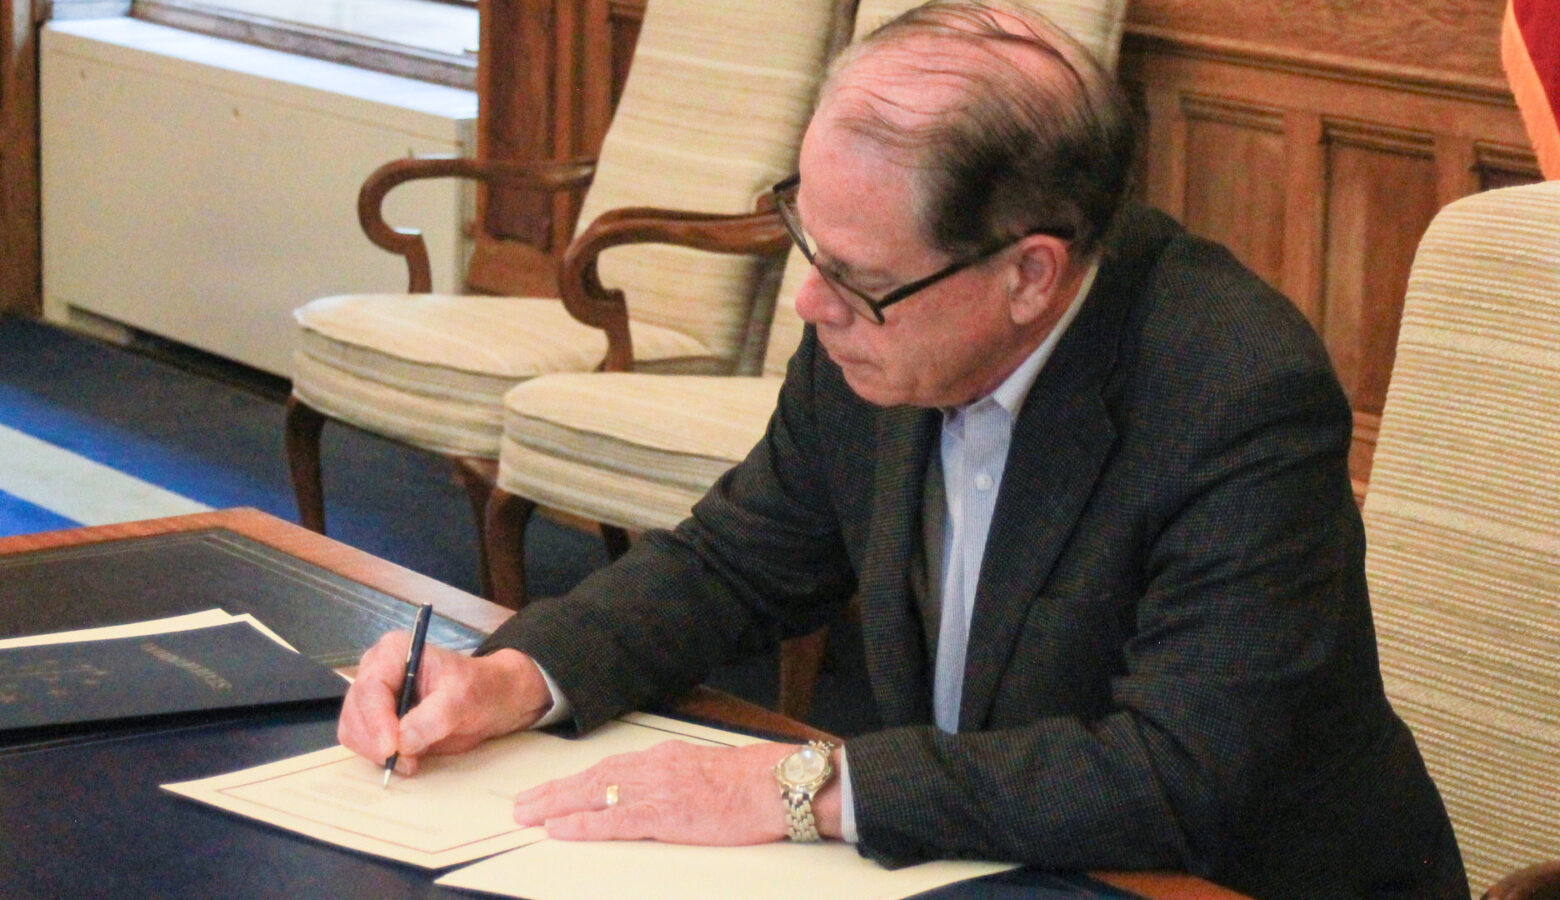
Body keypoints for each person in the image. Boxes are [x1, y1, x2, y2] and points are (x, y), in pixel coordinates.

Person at [338, 2, 1468, 897]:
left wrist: (802, 787)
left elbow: (1175, 773)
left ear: (1030, 273)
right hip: (997, 865)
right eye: (807, 244)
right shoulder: (877, 328)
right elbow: (732, 563)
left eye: (860, 280)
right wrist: (513, 676)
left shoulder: (1233, 392)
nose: (809, 307)